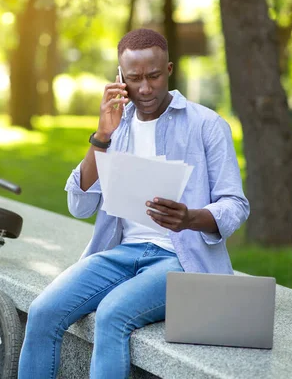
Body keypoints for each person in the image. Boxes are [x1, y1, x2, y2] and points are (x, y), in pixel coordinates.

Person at [18, 28, 250, 379]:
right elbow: (79, 205)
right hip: (121, 253)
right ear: (119, 78)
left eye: (154, 76)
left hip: (180, 259)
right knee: (42, 311)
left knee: (112, 315)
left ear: (169, 69)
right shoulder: (117, 124)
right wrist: (101, 138)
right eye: (134, 78)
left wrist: (191, 217)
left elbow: (235, 204)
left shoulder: (207, 124)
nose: (144, 88)